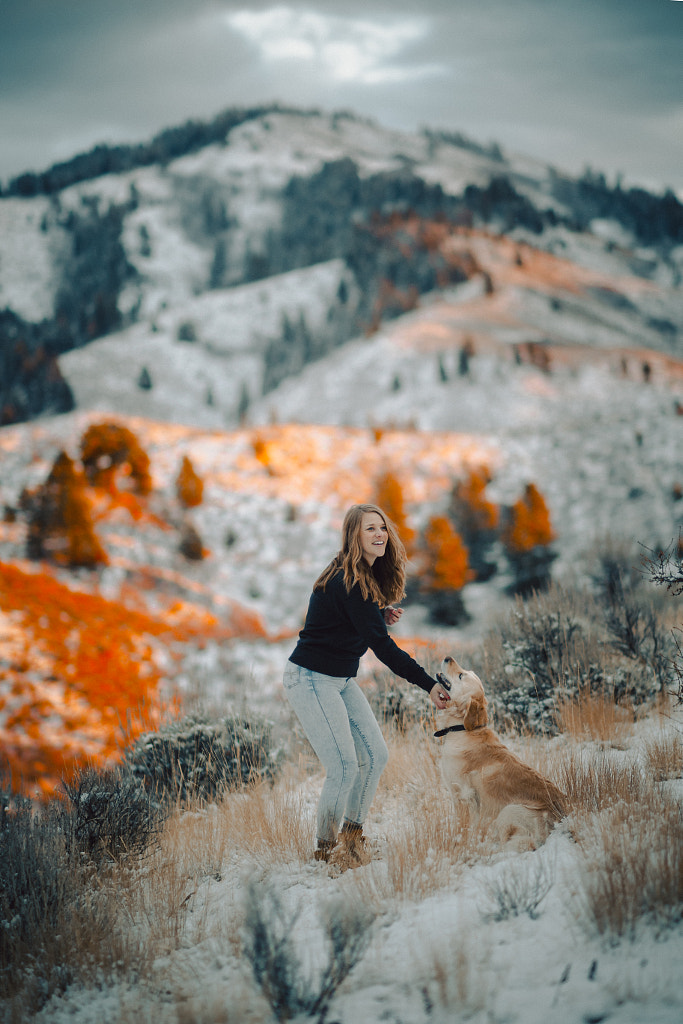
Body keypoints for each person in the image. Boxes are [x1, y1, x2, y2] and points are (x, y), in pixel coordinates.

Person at [283, 503, 451, 868]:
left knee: (375, 756)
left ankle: (352, 839)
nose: (379, 535)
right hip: (311, 679)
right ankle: (326, 852)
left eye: (382, 528)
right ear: (353, 537)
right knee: (344, 767)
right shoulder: (349, 580)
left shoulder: (361, 578)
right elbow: (384, 649)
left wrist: (375, 615)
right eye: (369, 529)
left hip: (340, 679)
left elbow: (350, 617)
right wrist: (428, 685)